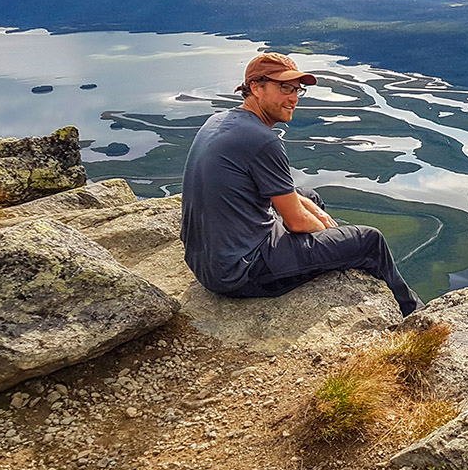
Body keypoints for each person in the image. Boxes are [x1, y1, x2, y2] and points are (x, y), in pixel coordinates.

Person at [180, 52, 425, 316]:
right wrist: (328, 236)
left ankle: (321, 252)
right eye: (284, 87)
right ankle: (416, 315)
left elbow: (274, 194)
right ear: (255, 87)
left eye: (297, 89)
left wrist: (311, 208)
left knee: (310, 196)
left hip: (207, 261)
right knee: (369, 241)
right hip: (242, 272)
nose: (293, 98)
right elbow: (296, 222)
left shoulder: (219, 121)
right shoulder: (262, 140)